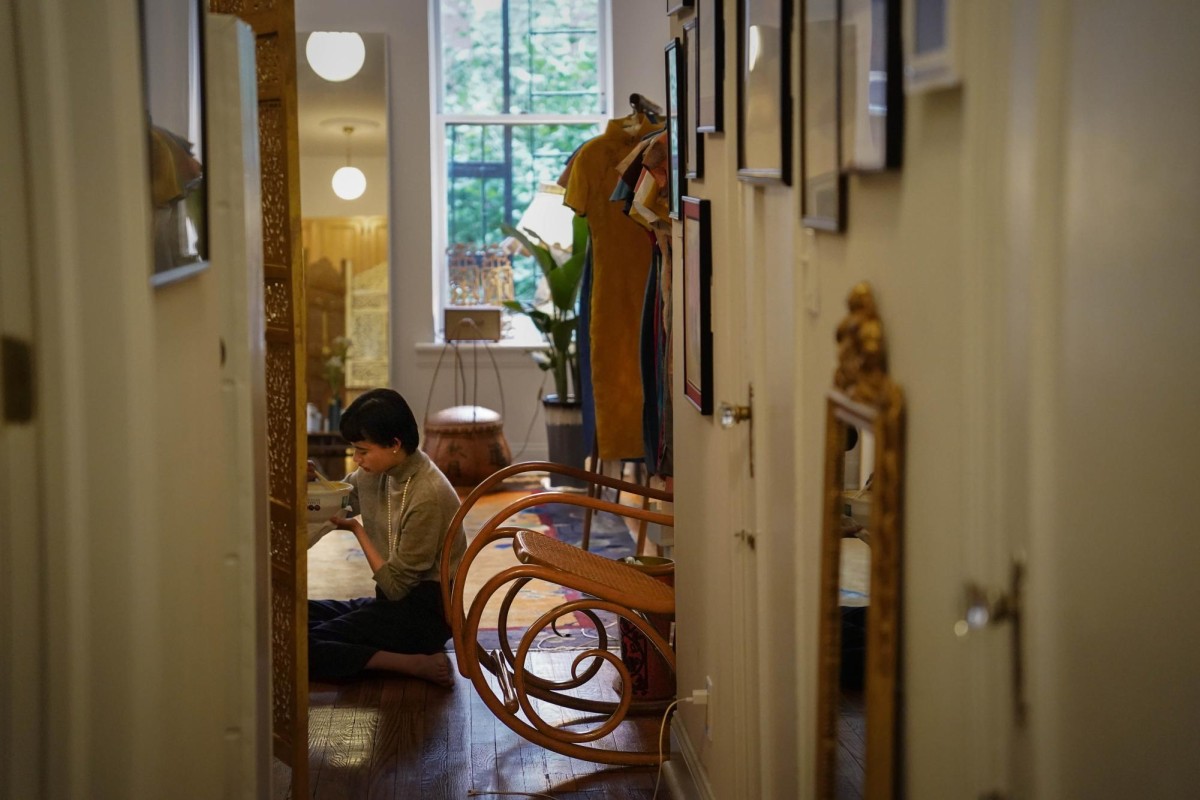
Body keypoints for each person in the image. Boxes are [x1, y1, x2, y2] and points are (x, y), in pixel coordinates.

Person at [307, 388, 466, 687]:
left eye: (363, 450)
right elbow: (335, 502)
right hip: (390, 604)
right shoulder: (376, 473)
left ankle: (409, 663)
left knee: (304, 647)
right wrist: (308, 481)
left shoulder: (427, 494)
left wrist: (357, 529)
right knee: (293, 617)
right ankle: (367, 651)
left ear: (395, 444)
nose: (356, 459)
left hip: (422, 615)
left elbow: (395, 588)